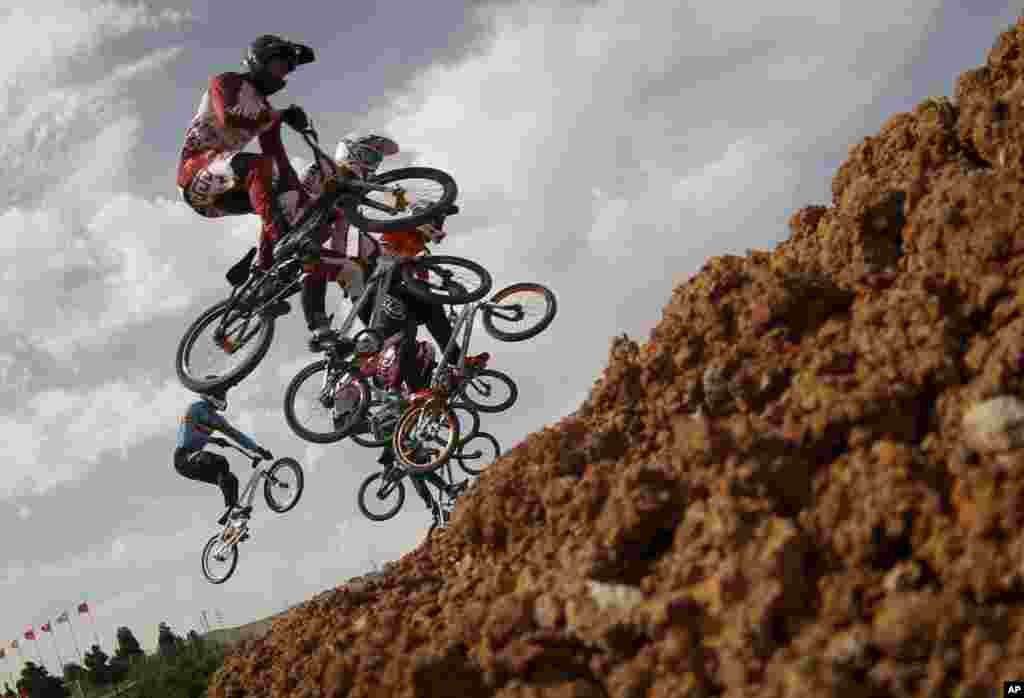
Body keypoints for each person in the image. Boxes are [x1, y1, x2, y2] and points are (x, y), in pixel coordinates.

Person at [176, 34, 316, 313]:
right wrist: (280, 116)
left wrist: (302, 199)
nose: (283, 74)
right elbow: (228, 116)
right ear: (259, 61)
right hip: (195, 174)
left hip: (224, 190)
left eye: (288, 70)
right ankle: (281, 241)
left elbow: (279, 159)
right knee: (259, 167)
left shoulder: (266, 109)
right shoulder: (228, 81)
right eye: (279, 66)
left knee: (285, 198)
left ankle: (263, 280)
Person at [174, 387, 273, 525]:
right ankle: (233, 509)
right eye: (221, 393)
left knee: (230, 479)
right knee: (220, 461)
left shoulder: (216, 419)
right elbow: (186, 438)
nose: (223, 397)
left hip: (196, 460)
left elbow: (236, 435)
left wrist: (258, 449)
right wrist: (213, 440)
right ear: (211, 395)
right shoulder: (194, 409)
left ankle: (232, 513)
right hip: (184, 458)